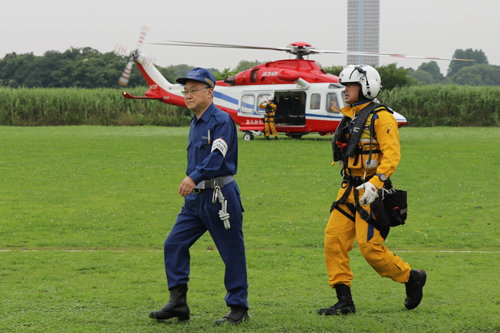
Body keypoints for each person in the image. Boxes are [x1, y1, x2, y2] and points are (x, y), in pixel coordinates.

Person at [318, 64, 426, 316]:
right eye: (344, 85)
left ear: (366, 87)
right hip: (348, 190)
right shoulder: (351, 116)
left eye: (350, 86)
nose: (345, 90)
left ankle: (412, 278)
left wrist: (375, 183)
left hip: (371, 192)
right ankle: (344, 302)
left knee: (370, 249)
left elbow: (392, 156)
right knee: (333, 242)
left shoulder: (382, 117)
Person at [149, 67, 249, 325]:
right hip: (195, 200)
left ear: (210, 92)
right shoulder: (195, 121)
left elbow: (217, 157)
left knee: (231, 252)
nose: (188, 95)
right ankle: (178, 302)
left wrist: (194, 176)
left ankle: (238, 308)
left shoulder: (221, 121)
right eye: (185, 91)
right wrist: (193, 182)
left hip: (220, 196)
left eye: (194, 90)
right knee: (174, 243)